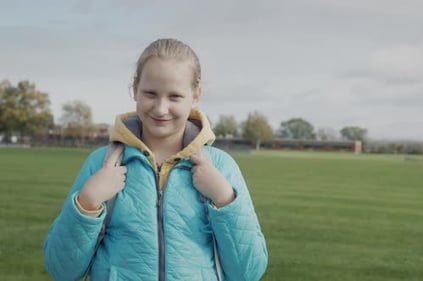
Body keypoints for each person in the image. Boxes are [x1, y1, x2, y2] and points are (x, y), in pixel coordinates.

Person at [44, 38, 268, 281]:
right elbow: (62, 270)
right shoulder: (101, 164)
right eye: (151, 93)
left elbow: (248, 273)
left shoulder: (222, 168)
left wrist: (225, 199)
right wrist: (87, 204)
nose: (161, 109)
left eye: (175, 96)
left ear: (196, 95)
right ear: (135, 88)